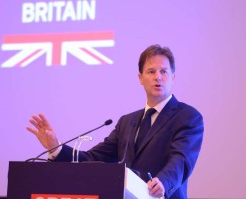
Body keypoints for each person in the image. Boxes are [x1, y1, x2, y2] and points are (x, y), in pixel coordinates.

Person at [26, 44, 204, 199]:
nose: (158, 76)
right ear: (140, 78)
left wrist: (164, 182)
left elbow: (181, 160)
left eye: (164, 71)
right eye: (151, 71)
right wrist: (56, 147)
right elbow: (92, 159)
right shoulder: (127, 122)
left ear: (173, 77)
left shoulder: (188, 117)